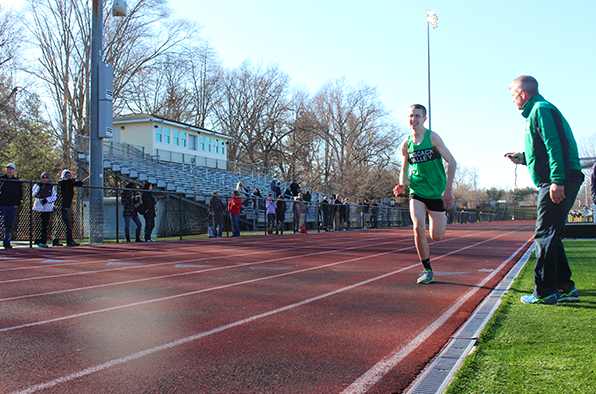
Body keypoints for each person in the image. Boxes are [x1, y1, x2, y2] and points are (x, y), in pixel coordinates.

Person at [505, 75, 584, 305]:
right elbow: (542, 148)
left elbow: (554, 144)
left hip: (557, 180)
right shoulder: (537, 112)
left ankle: (545, 292)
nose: (512, 101)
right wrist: (523, 158)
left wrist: (557, 180)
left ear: (523, 94)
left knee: (544, 235)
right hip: (556, 178)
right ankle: (566, 288)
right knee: (553, 235)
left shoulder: (541, 109)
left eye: (513, 96)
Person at [393, 104, 457, 285]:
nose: (413, 119)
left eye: (417, 116)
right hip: (417, 190)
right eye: (411, 116)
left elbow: (452, 163)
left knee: (436, 236)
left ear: (424, 119)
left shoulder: (433, 137)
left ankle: (445, 213)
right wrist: (402, 184)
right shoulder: (406, 144)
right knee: (418, 227)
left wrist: (448, 190)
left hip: (437, 192)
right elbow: (405, 168)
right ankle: (427, 269)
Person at [53, 169, 83, 247]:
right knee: (67, 224)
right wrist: (72, 181)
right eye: (67, 175)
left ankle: (55, 241)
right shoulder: (61, 182)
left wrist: (73, 181)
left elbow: (79, 183)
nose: (68, 177)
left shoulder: (70, 183)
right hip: (59, 206)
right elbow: (67, 182)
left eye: (70, 175)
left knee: (60, 224)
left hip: (65, 207)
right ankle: (69, 240)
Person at [0, 163, 23, 249]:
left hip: (12, 207)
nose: (9, 171)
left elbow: (20, 194)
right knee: (0, 224)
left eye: (11, 169)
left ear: (14, 171)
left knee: (9, 225)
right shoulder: (1, 179)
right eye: (8, 169)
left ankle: (7, 243)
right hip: (2, 206)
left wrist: (17, 204)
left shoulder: (16, 181)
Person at [32, 172, 57, 247]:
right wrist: (39, 187)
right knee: (38, 224)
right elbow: (33, 194)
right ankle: (37, 240)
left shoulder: (51, 186)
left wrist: (47, 200)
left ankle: (43, 240)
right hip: (38, 207)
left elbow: (54, 196)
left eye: (46, 178)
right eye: (43, 177)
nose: (45, 179)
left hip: (47, 208)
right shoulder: (37, 185)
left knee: (44, 225)